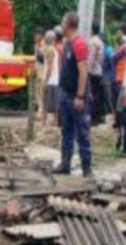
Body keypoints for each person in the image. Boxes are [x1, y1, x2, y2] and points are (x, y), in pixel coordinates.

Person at [53, 12, 92, 177]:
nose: (61, 23)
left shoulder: (79, 43)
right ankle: (65, 164)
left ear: (68, 24)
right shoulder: (68, 42)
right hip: (65, 94)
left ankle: (87, 169)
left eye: (63, 20)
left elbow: (83, 71)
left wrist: (80, 96)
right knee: (66, 131)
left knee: (82, 133)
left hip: (75, 97)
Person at [88, 22, 105, 125]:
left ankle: (94, 118)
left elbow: (91, 57)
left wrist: (88, 71)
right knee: (97, 95)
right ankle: (98, 117)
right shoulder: (100, 42)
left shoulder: (93, 42)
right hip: (99, 71)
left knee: (92, 95)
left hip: (93, 72)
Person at [43, 30, 60, 126]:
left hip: (51, 80)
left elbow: (49, 67)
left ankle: (47, 123)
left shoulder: (49, 50)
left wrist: (45, 81)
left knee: (48, 104)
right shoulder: (54, 49)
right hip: (55, 79)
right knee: (55, 103)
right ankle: (55, 122)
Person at [34, 27, 46, 120]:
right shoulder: (36, 45)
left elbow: (43, 59)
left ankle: (41, 112)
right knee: (37, 92)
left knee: (41, 93)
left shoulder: (43, 45)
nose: (35, 36)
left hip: (42, 72)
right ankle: (39, 110)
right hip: (37, 72)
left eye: (36, 34)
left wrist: (39, 53)